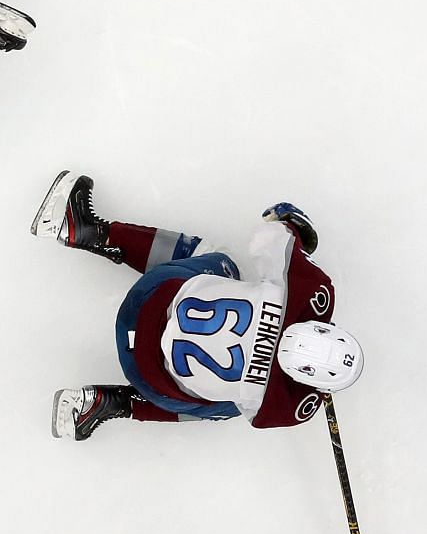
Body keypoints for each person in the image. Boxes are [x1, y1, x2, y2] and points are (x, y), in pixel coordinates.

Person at [30, 171, 365, 440]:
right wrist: (314, 394)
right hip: (145, 373)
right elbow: (264, 418)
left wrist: (289, 225)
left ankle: (92, 231)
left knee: (224, 263)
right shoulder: (282, 404)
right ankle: (106, 403)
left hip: (148, 298)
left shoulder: (306, 292)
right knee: (230, 407)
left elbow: (272, 232)